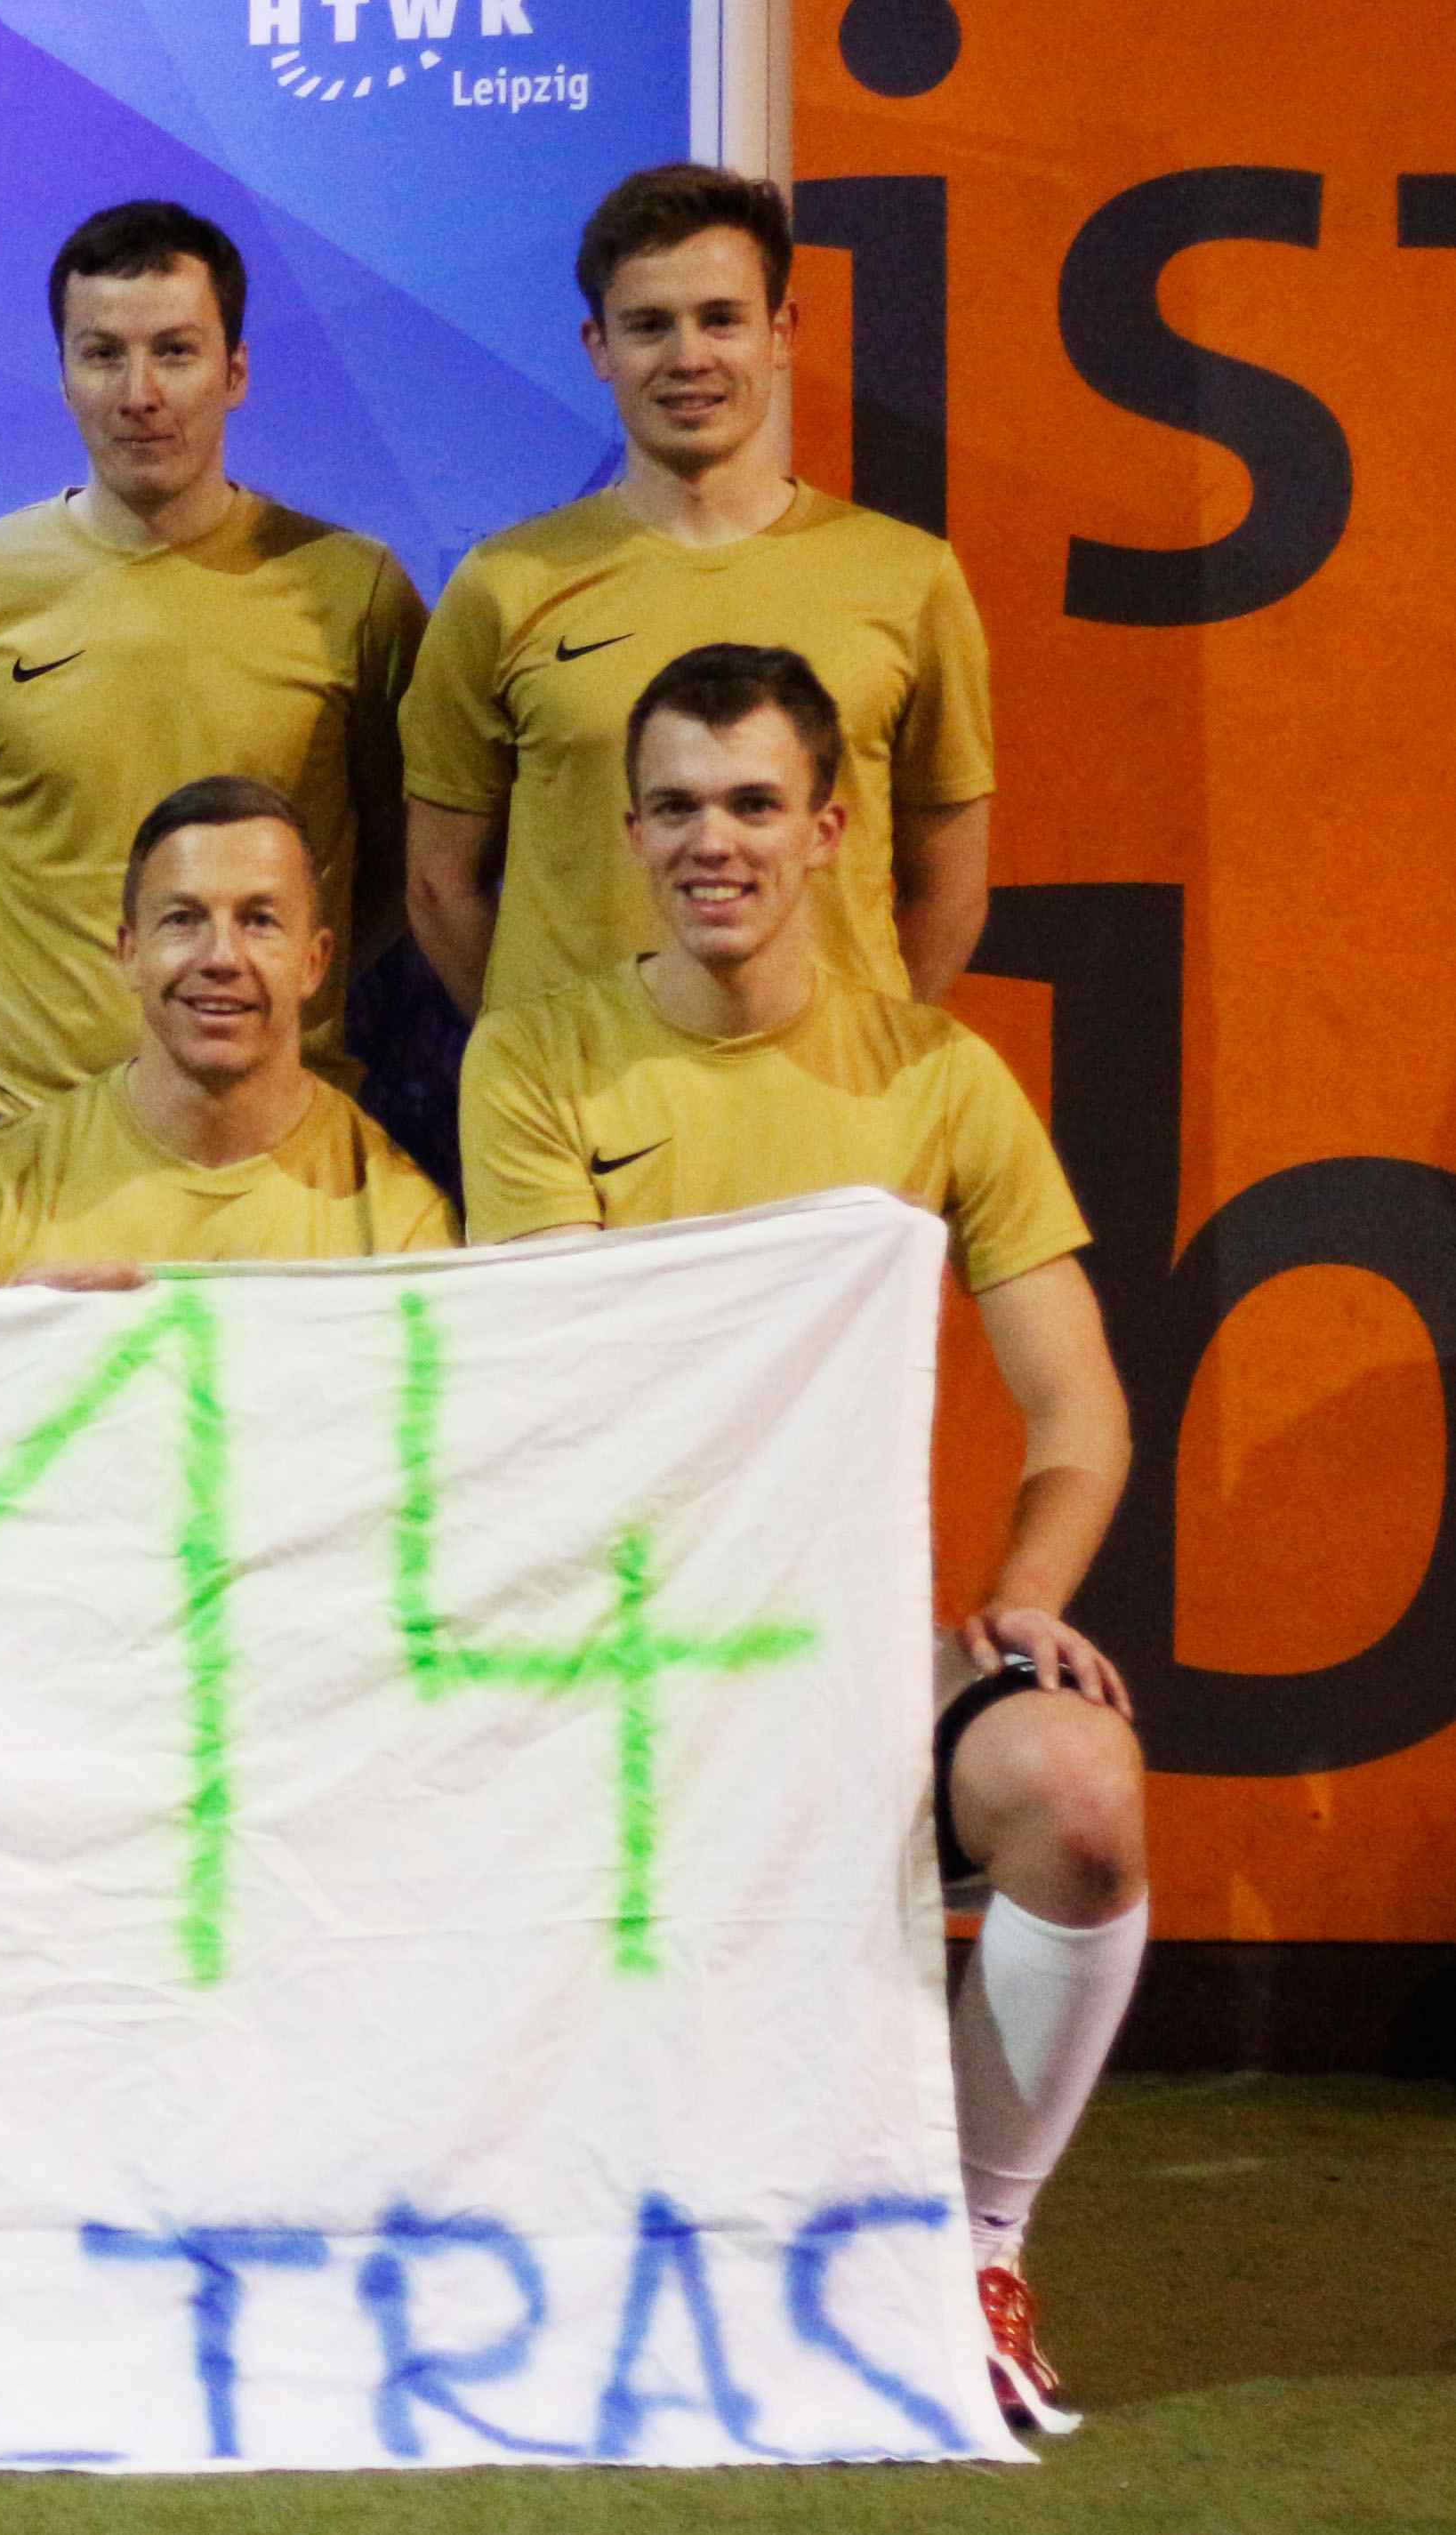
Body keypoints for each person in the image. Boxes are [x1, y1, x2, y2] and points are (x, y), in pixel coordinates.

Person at [459, 644, 1144, 2434]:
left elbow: (1077, 1411)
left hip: (851, 1675)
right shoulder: (531, 1060)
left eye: (754, 804)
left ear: (830, 830)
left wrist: (1018, 1601)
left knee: (1076, 1789)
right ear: (628, 834)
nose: (715, 843)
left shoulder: (938, 1079)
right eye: (676, 807)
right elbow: (570, 1408)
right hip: (603, 1677)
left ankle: (970, 2247)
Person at [400, 164, 993, 1021]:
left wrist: (865, 1053)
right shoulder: (503, 585)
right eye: (649, 325)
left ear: (781, 333)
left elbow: (951, 888)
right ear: (598, 347)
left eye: (722, 319)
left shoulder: (910, 579)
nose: (688, 358)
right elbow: (437, 883)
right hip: (574, 1099)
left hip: (824, 1096)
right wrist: (534, 1055)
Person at [0, 202, 423, 1131]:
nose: (138, 393)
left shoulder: (357, 591)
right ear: (63, 375)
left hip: (276, 1131)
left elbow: (402, 858)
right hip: (29, 1131)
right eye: (103, 354)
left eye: (174, 351)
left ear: (235, 372)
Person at [0, 777, 451, 1289]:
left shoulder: (404, 1228)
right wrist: (6, 1338)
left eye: (259, 920)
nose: (221, 957)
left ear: (314, 962)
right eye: (183, 919)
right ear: (130, 953)